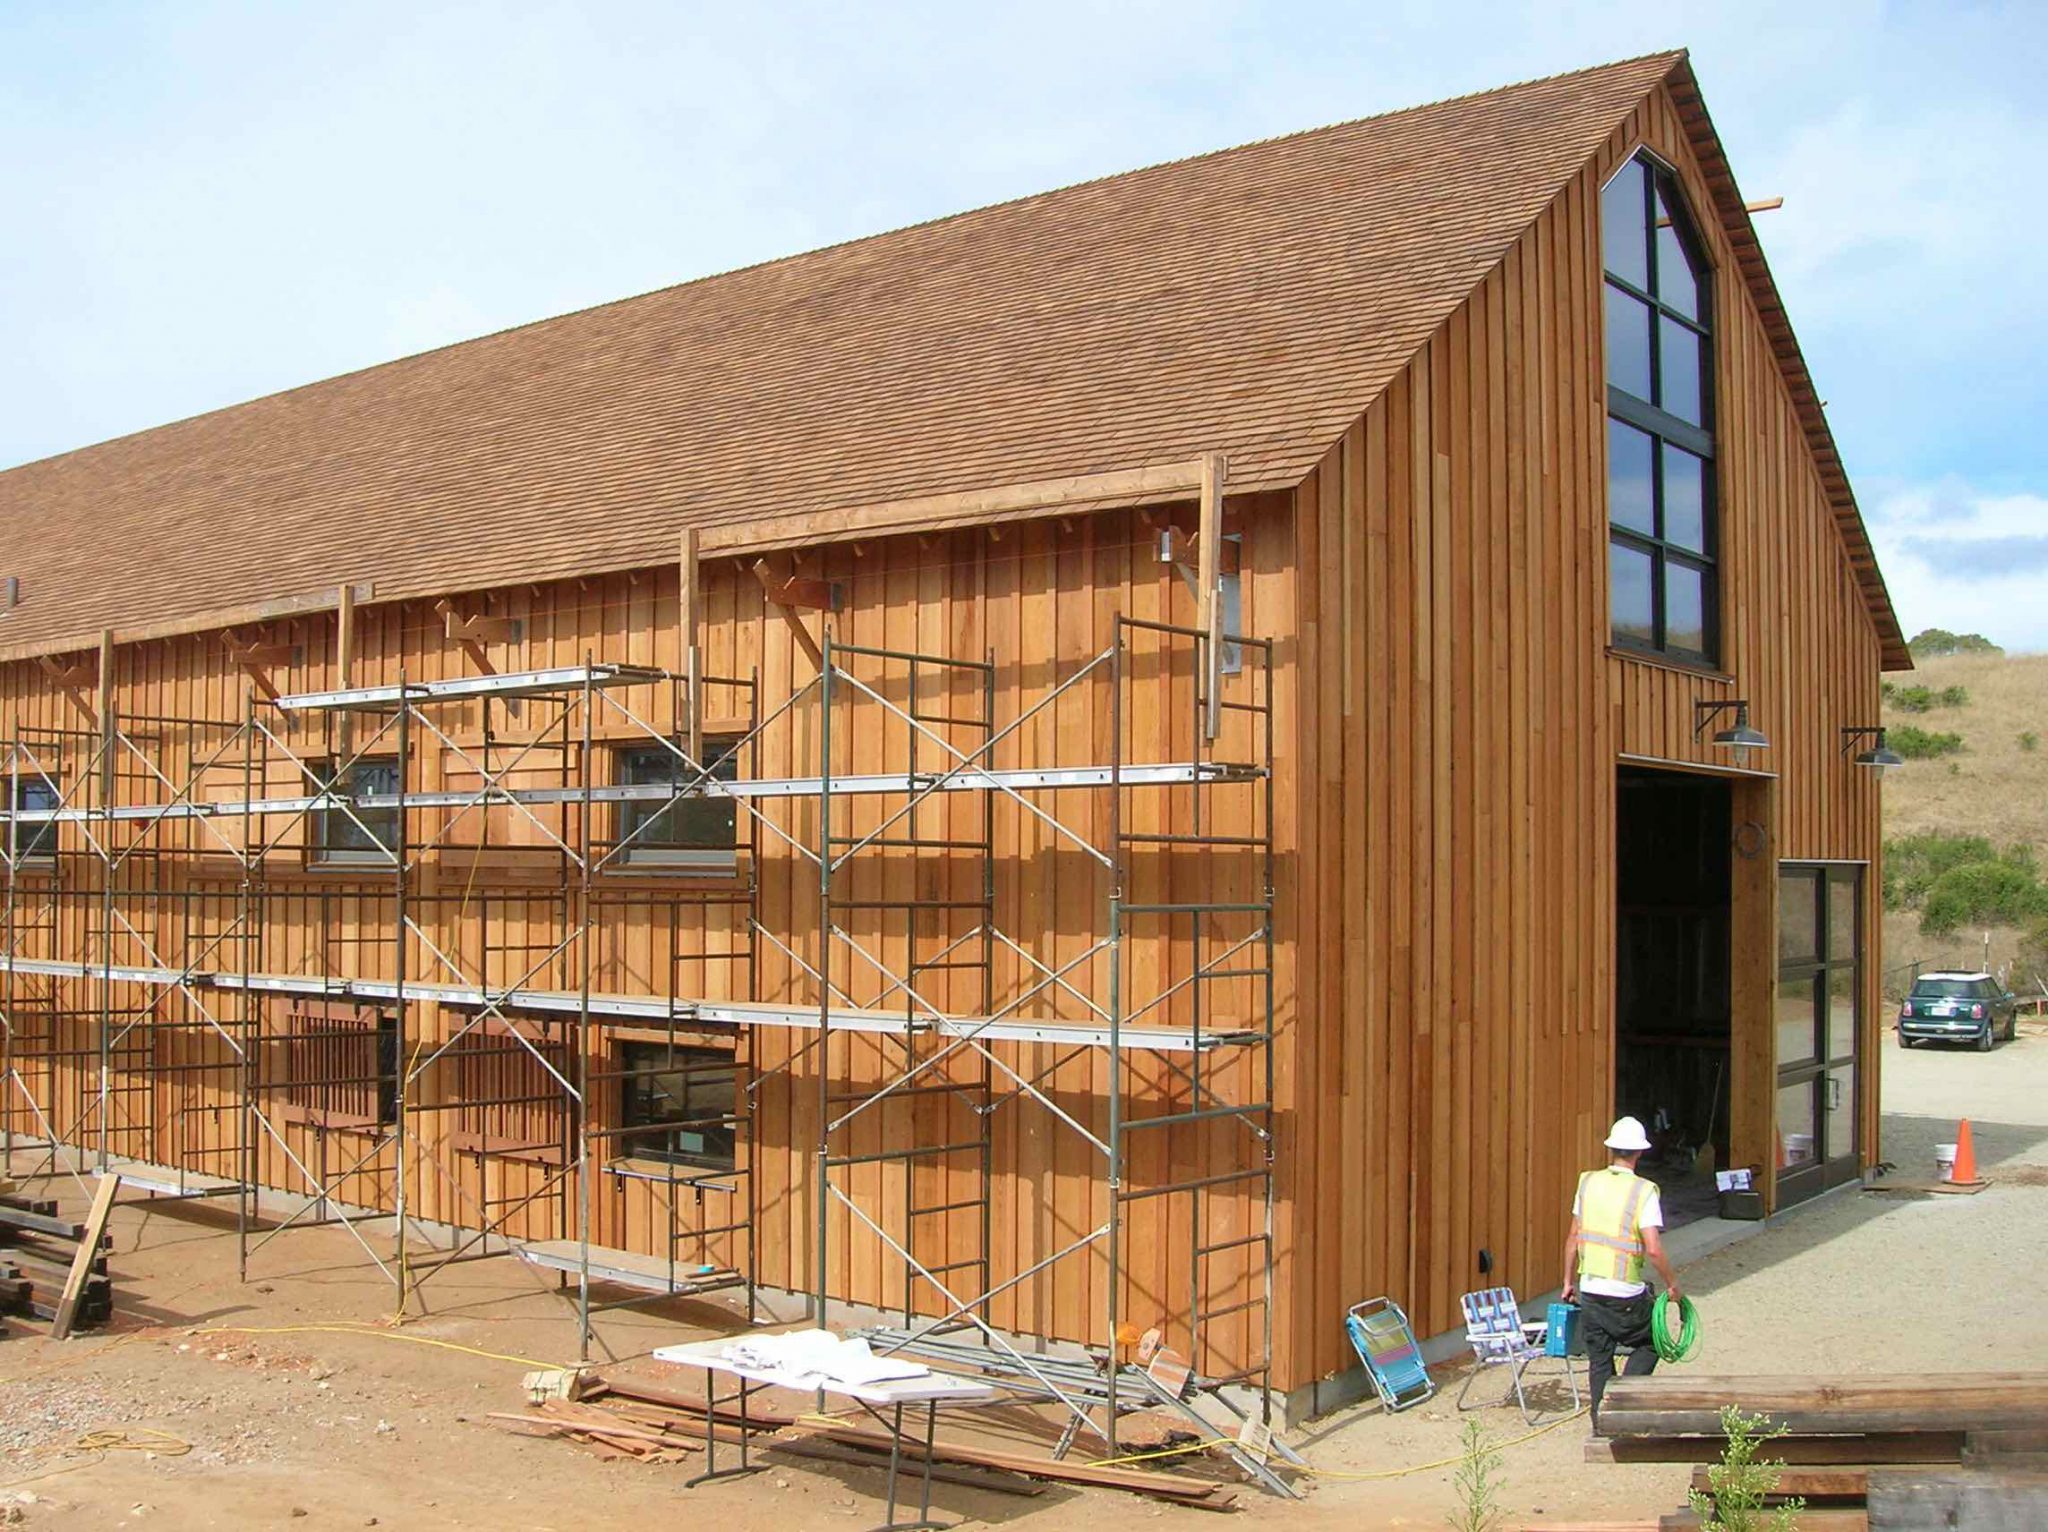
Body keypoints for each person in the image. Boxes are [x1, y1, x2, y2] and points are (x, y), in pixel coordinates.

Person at [1561, 1115, 1683, 1420]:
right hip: (1625, 1290)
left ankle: (1601, 1421)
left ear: (1611, 1149)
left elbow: (1573, 1237)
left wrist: (1566, 1282)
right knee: (1653, 1341)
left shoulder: (1587, 1182)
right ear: (1640, 1152)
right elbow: (1653, 1248)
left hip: (1589, 1287)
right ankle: (1626, 1400)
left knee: (1600, 1357)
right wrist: (1672, 1285)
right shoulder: (1644, 1191)